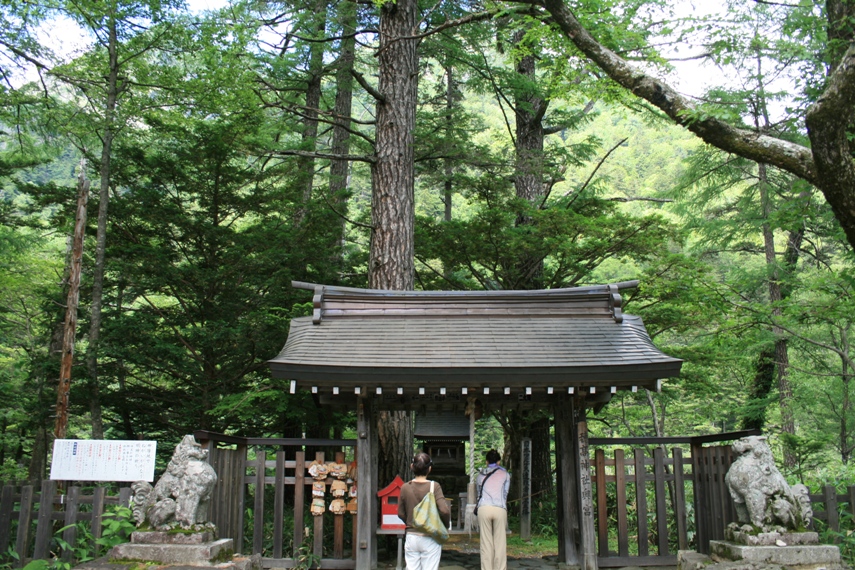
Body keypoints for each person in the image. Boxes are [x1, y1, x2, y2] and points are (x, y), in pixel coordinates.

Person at [397, 451, 451, 570]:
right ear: (429, 469)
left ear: (412, 467)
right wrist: (444, 526)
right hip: (429, 535)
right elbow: (444, 510)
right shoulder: (434, 486)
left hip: (411, 535)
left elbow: (400, 513)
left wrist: (411, 522)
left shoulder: (405, 487)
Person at [476, 449, 510, 570]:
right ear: (499, 461)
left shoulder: (480, 475)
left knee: (486, 543)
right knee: (500, 542)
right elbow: (505, 493)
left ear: (486, 461)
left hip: (484, 508)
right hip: (500, 508)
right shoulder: (505, 474)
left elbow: (478, 493)